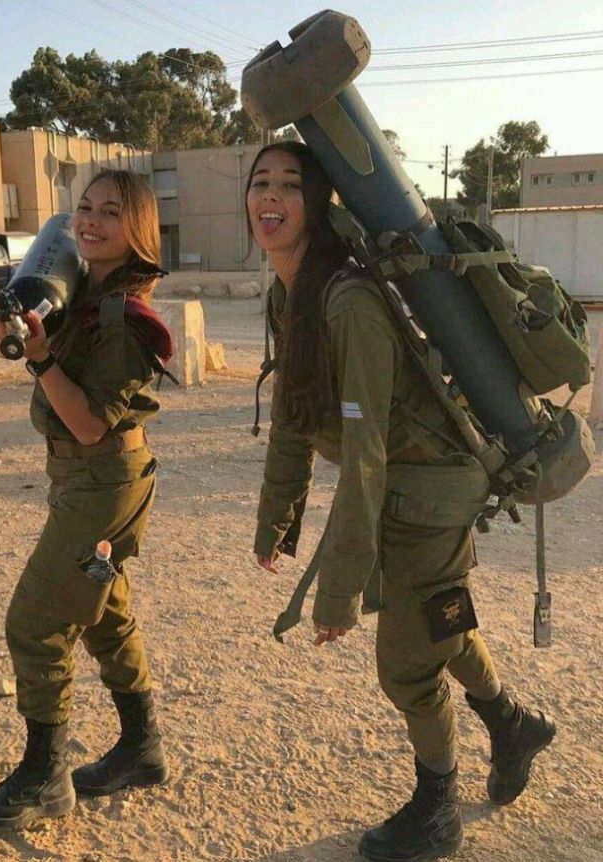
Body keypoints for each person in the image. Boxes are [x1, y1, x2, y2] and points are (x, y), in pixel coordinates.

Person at [248, 141, 556, 862]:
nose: (271, 196)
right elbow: (293, 414)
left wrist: (339, 591)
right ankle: (512, 725)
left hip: (427, 493)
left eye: (290, 184)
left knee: (408, 667)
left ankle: (437, 810)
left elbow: (367, 452)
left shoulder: (349, 302)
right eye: (260, 182)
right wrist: (276, 517)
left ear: (318, 204)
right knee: (440, 619)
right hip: (409, 488)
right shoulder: (288, 294)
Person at [0, 170, 170, 830]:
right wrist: (27, 335)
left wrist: (43, 359)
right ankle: (141, 749)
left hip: (103, 485)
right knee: (105, 614)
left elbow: (86, 424)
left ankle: (44, 779)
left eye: (111, 211)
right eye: (85, 207)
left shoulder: (126, 320)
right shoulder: (81, 292)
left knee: (36, 623)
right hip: (84, 482)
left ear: (138, 229)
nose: (91, 220)